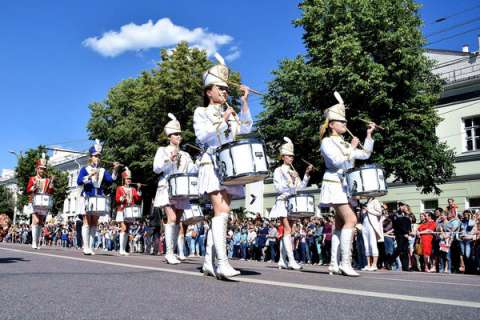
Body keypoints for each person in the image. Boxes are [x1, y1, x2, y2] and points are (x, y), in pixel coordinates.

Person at [193, 53, 253, 279]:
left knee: (222, 213)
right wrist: (222, 119)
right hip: (211, 162)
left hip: (228, 166)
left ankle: (209, 262)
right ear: (209, 91)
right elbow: (203, 136)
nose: (224, 92)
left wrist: (245, 103)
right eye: (220, 88)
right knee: (222, 211)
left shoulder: (229, 113)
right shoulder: (202, 112)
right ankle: (222, 263)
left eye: (226, 89)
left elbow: (245, 129)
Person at [319, 91, 376, 276]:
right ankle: (345, 263)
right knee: (351, 220)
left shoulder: (343, 143)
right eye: (342, 122)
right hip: (334, 184)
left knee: (339, 224)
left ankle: (334, 264)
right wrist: (351, 148)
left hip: (344, 187)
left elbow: (365, 155)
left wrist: (368, 136)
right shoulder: (327, 142)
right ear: (332, 125)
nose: (345, 124)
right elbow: (337, 162)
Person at [153, 113, 196, 264]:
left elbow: (192, 170)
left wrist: (201, 161)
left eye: (180, 134)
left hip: (182, 189)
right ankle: (169, 252)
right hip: (167, 187)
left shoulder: (185, 154)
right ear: (169, 136)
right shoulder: (162, 150)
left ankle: (174, 251)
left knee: (178, 221)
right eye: (176, 134)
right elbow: (156, 169)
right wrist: (168, 160)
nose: (179, 137)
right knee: (171, 218)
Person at [270, 137, 313, 270]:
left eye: (292, 156)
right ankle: (292, 260)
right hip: (282, 202)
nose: (291, 158)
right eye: (289, 156)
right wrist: (290, 181)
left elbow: (300, 188)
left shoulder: (293, 171)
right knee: (288, 230)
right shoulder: (278, 170)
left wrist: (305, 174)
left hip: (292, 204)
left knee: (288, 233)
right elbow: (278, 188)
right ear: (283, 157)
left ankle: (282, 260)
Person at [77, 139, 120, 255]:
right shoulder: (84, 169)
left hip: (98, 198)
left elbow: (111, 180)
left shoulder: (102, 170)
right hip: (87, 197)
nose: (98, 158)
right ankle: (85, 246)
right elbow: (79, 181)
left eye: (99, 156)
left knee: (94, 223)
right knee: (86, 221)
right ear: (91, 157)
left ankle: (90, 247)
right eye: (96, 156)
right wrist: (89, 176)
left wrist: (115, 169)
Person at [27, 153, 55, 249]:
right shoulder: (32, 178)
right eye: (40, 168)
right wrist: (33, 187)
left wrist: (51, 184)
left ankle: (37, 242)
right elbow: (28, 190)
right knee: (36, 220)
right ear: (37, 169)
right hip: (34, 201)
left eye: (43, 169)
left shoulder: (47, 180)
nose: (42, 170)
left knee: (40, 222)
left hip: (43, 202)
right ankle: (34, 242)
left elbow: (50, 191)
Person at [115, 167, 142, 256]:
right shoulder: (120, 188)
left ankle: (124, 248)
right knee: (123, 228)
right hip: (122, 209)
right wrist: (123, 197)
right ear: (124, 180)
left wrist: (138, 189)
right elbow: (117, 200)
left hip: (130, 210)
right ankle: (121, 249)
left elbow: (137, 198)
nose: (129, 180)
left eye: (130, 179)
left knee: (127, 230)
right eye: (127, 179)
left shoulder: (133, 189)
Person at [361, 197, 384, 271]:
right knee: (366, 245)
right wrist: (363, 211)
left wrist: (369, 210)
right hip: (365, 225)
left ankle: (374, 265)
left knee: (372, 244)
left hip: (372, 225)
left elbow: (379, 212)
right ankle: (368, 264)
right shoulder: (366, 202)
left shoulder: (375, 201)